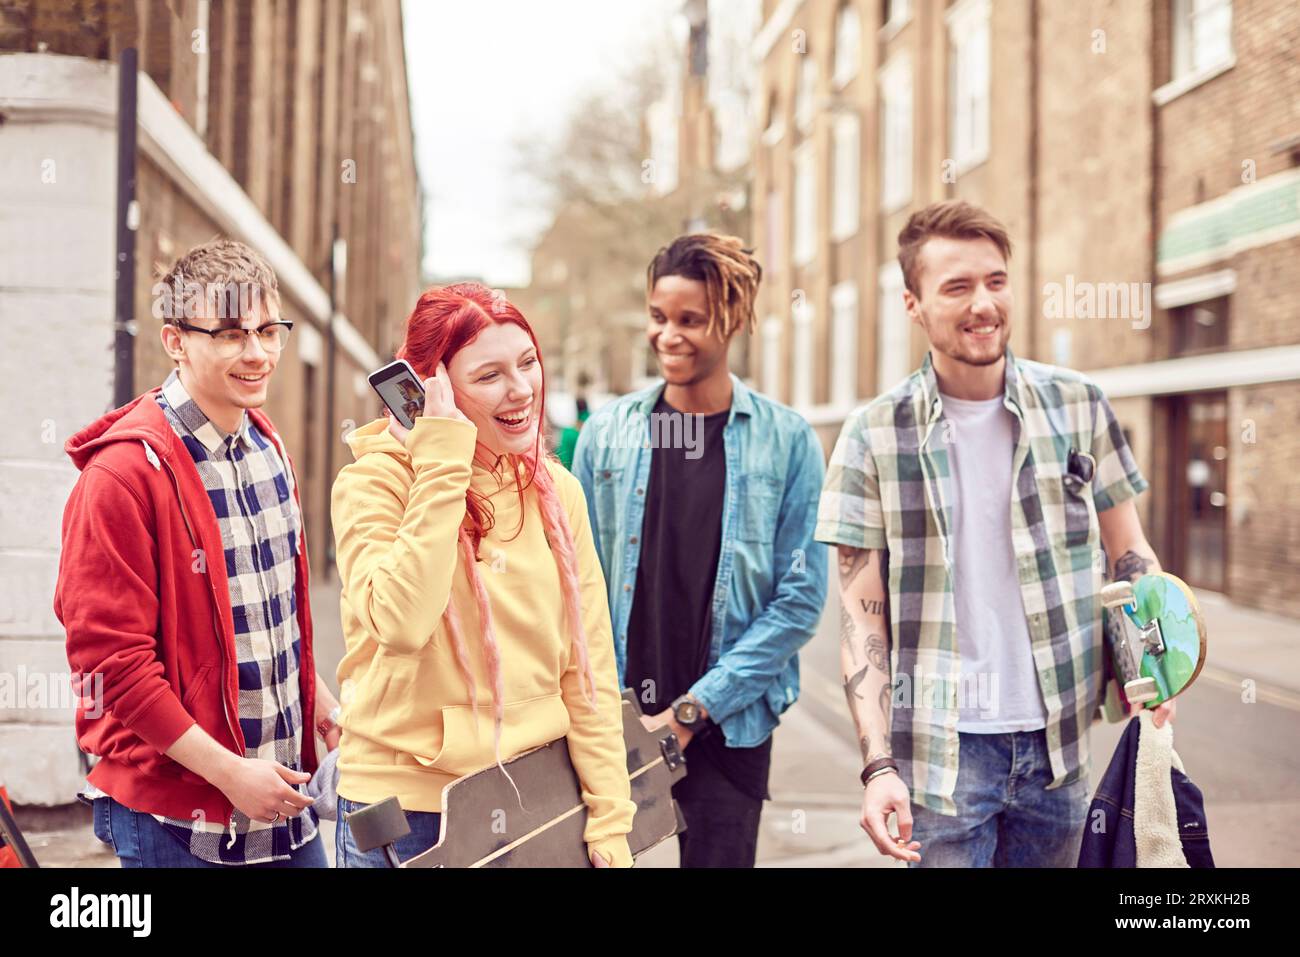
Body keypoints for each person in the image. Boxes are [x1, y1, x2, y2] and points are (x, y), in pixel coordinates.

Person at [816, 200, 1176, 868]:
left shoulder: (1079, 405)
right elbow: (862, 620)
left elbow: (1131, 557)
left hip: (1059, 748)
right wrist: (877, 766)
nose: (984, 303)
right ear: (913, 304)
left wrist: (1152, 665)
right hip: (940, 757)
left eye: (996, 280)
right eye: (957, 286)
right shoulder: (872, 434)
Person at [330, 282, 635, 867]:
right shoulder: (375, 483)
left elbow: (588, 661)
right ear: (430, 391)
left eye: (527, 363)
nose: (521, 390)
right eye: (489, 375)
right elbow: (402, 622)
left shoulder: (555, 491)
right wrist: (441, 457)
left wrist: (610, 816)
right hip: (411, 816)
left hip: (534, 796)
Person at [56, 239, 340, 867]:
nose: (258, 353)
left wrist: (321, 708)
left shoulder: (267, 447)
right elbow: (113, 666)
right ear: (175, 340)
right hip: (179, 825)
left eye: (269, 330)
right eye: (231, 334)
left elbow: (272, 622)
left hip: (284, 809)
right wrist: (230, 775)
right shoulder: (122, 476)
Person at [573, 234, 828, 867]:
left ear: (733, 321)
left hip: (727, 727)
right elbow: (568, 576)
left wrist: (695, 709)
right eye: (659, 318)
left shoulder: (788, 441)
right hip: (612, 719)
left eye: (691, 320)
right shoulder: (608, 432)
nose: (669, 336)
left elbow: (799, 600)